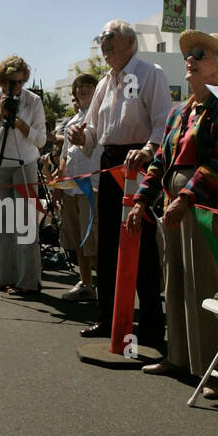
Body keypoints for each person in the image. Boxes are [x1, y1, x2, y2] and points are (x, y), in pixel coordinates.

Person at [127, 31, 218, 391]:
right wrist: (142, 200)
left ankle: (212, 370)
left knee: (204, 285)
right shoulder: (180, 110)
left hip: (206, 207)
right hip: (174, 206)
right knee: (174, 281)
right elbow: (161, 160)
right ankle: (177, 356)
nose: (190, 59)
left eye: (201, 54)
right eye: (189, 54)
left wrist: (185, 198)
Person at [68, 20, 172, 342]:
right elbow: (93, 132)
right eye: (101, 39)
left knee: (142, 248)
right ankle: (110, 320)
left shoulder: (150, 73)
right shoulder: (102, 84)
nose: (105, 44)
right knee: (109, 245)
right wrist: (79, 135)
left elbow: (163, 123)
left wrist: (147, 151)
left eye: (110, 38)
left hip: (140, 163)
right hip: (111, 162)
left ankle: (153, 326)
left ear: (130, 41)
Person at [0, 55, 47, 295]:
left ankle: (28, 282)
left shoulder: (33, 101)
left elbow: (41, 139)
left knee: (25, 222)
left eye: (19, 82)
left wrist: (18, 122)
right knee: (5, 222)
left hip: (24, 162)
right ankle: (4, 277)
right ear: (1, 81)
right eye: (10, 82)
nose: (15, 87)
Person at [58, 74, 102, 300]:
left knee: (92, 240)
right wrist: (60, 180)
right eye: (80, 86)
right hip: (71, 188)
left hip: (91, 187)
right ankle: (86, 284)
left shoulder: (101, 115)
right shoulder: (72, 120)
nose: (83, 90)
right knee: (77, 240)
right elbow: (65, 155)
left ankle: (107, 292)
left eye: (88, 86)